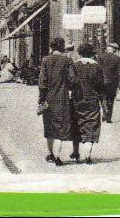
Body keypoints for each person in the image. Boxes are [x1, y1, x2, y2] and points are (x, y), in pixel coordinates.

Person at [39, 37, 75, 166]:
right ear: (62, 47)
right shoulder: (67, 60)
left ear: (52, 47)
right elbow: (72, 81)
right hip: (62, 98)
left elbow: (42, 82)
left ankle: (51, 154)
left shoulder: (45, 60)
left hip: (48, 98)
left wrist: (41, 100)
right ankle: (57, 155)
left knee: (49, 127)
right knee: (60, 127)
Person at [68, 42, 105, 164]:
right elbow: (100, 86)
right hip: (92, 101)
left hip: (77, 100)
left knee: (76, 124)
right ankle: (88, 156)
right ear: (92, 54)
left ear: (80, 53)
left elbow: (71, 83)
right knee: (91, 126)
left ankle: (76, 152)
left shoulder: (74, 65)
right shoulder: (97, 67)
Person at [96, 42, 120, 123]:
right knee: (111, 99)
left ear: (107, 49)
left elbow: (97, 70)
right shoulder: (117, 58)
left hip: (101, 81)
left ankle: (104, 110)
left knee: (102, 97)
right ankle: (108, 118)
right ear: (114, 50)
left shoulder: (100, 57)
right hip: (112, 82)